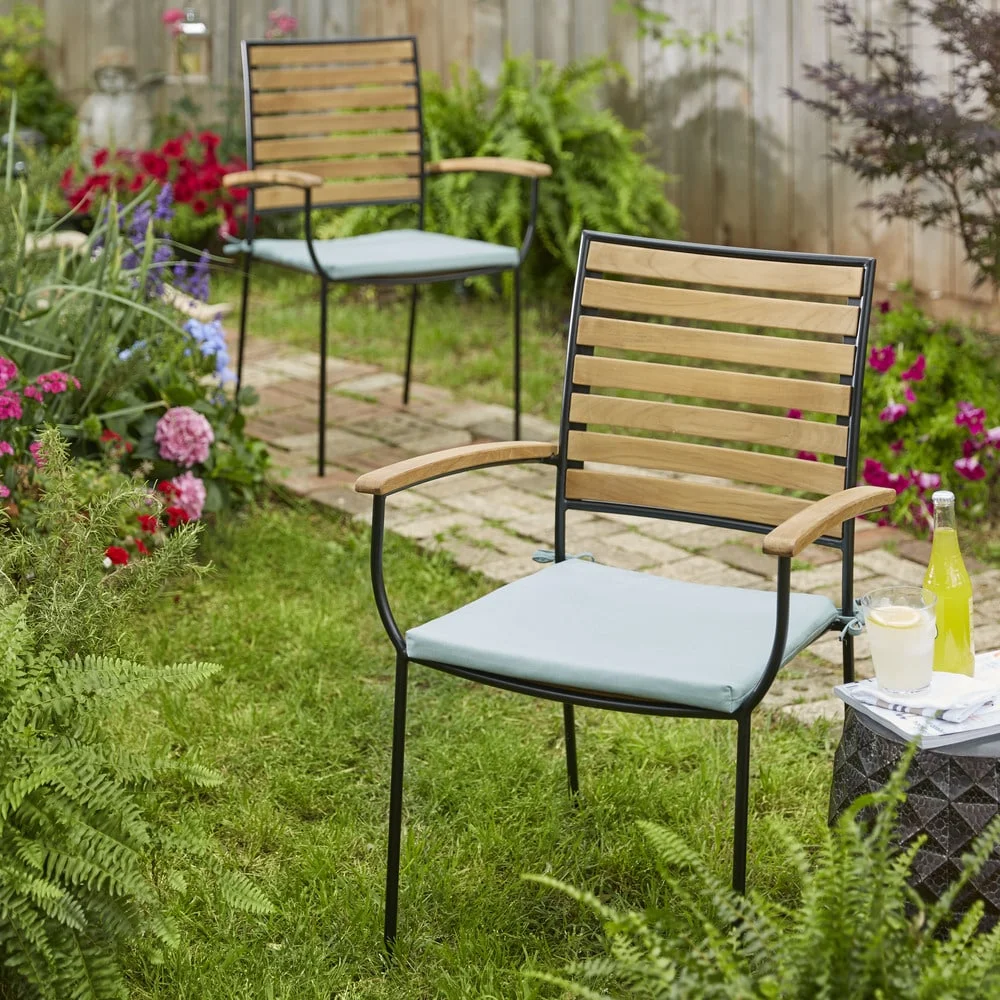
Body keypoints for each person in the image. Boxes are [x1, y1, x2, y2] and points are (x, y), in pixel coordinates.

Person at [77, 47, 154, 167]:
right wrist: (86, 144)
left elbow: (144, 127)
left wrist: (140, 146)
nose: (111, 81)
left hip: (128, 154)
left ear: (128, 77)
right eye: (106, 77)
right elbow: (84, 126)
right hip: (98, 154)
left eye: (116, 76)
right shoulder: (93, 101)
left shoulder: (135, 101)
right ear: (97, 79)